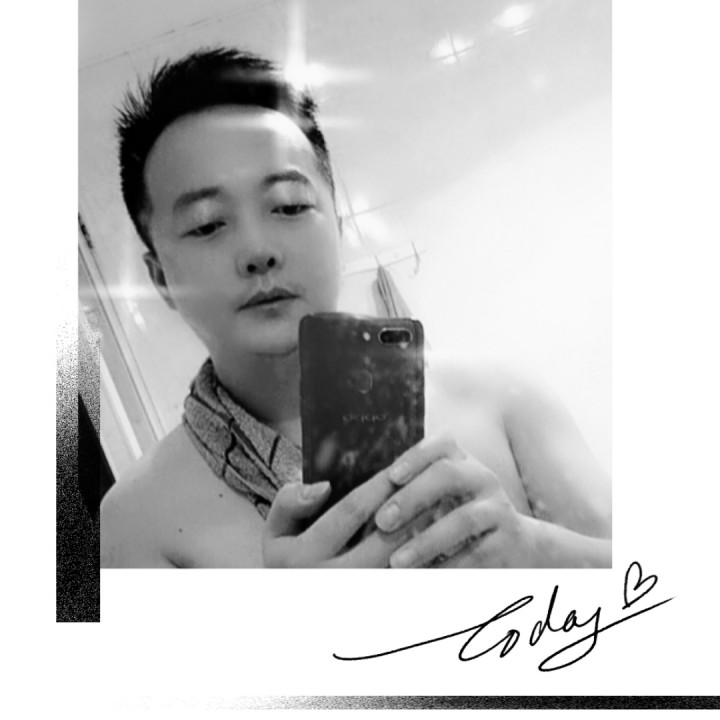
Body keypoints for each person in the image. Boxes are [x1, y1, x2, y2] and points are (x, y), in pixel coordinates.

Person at [100, 47, 611, 569]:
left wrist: (533, 546)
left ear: (338, 227)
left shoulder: (499, 399)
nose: (257, 250)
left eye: (289, 206)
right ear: (161, 278)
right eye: (208, 224)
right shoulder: (134, 522)